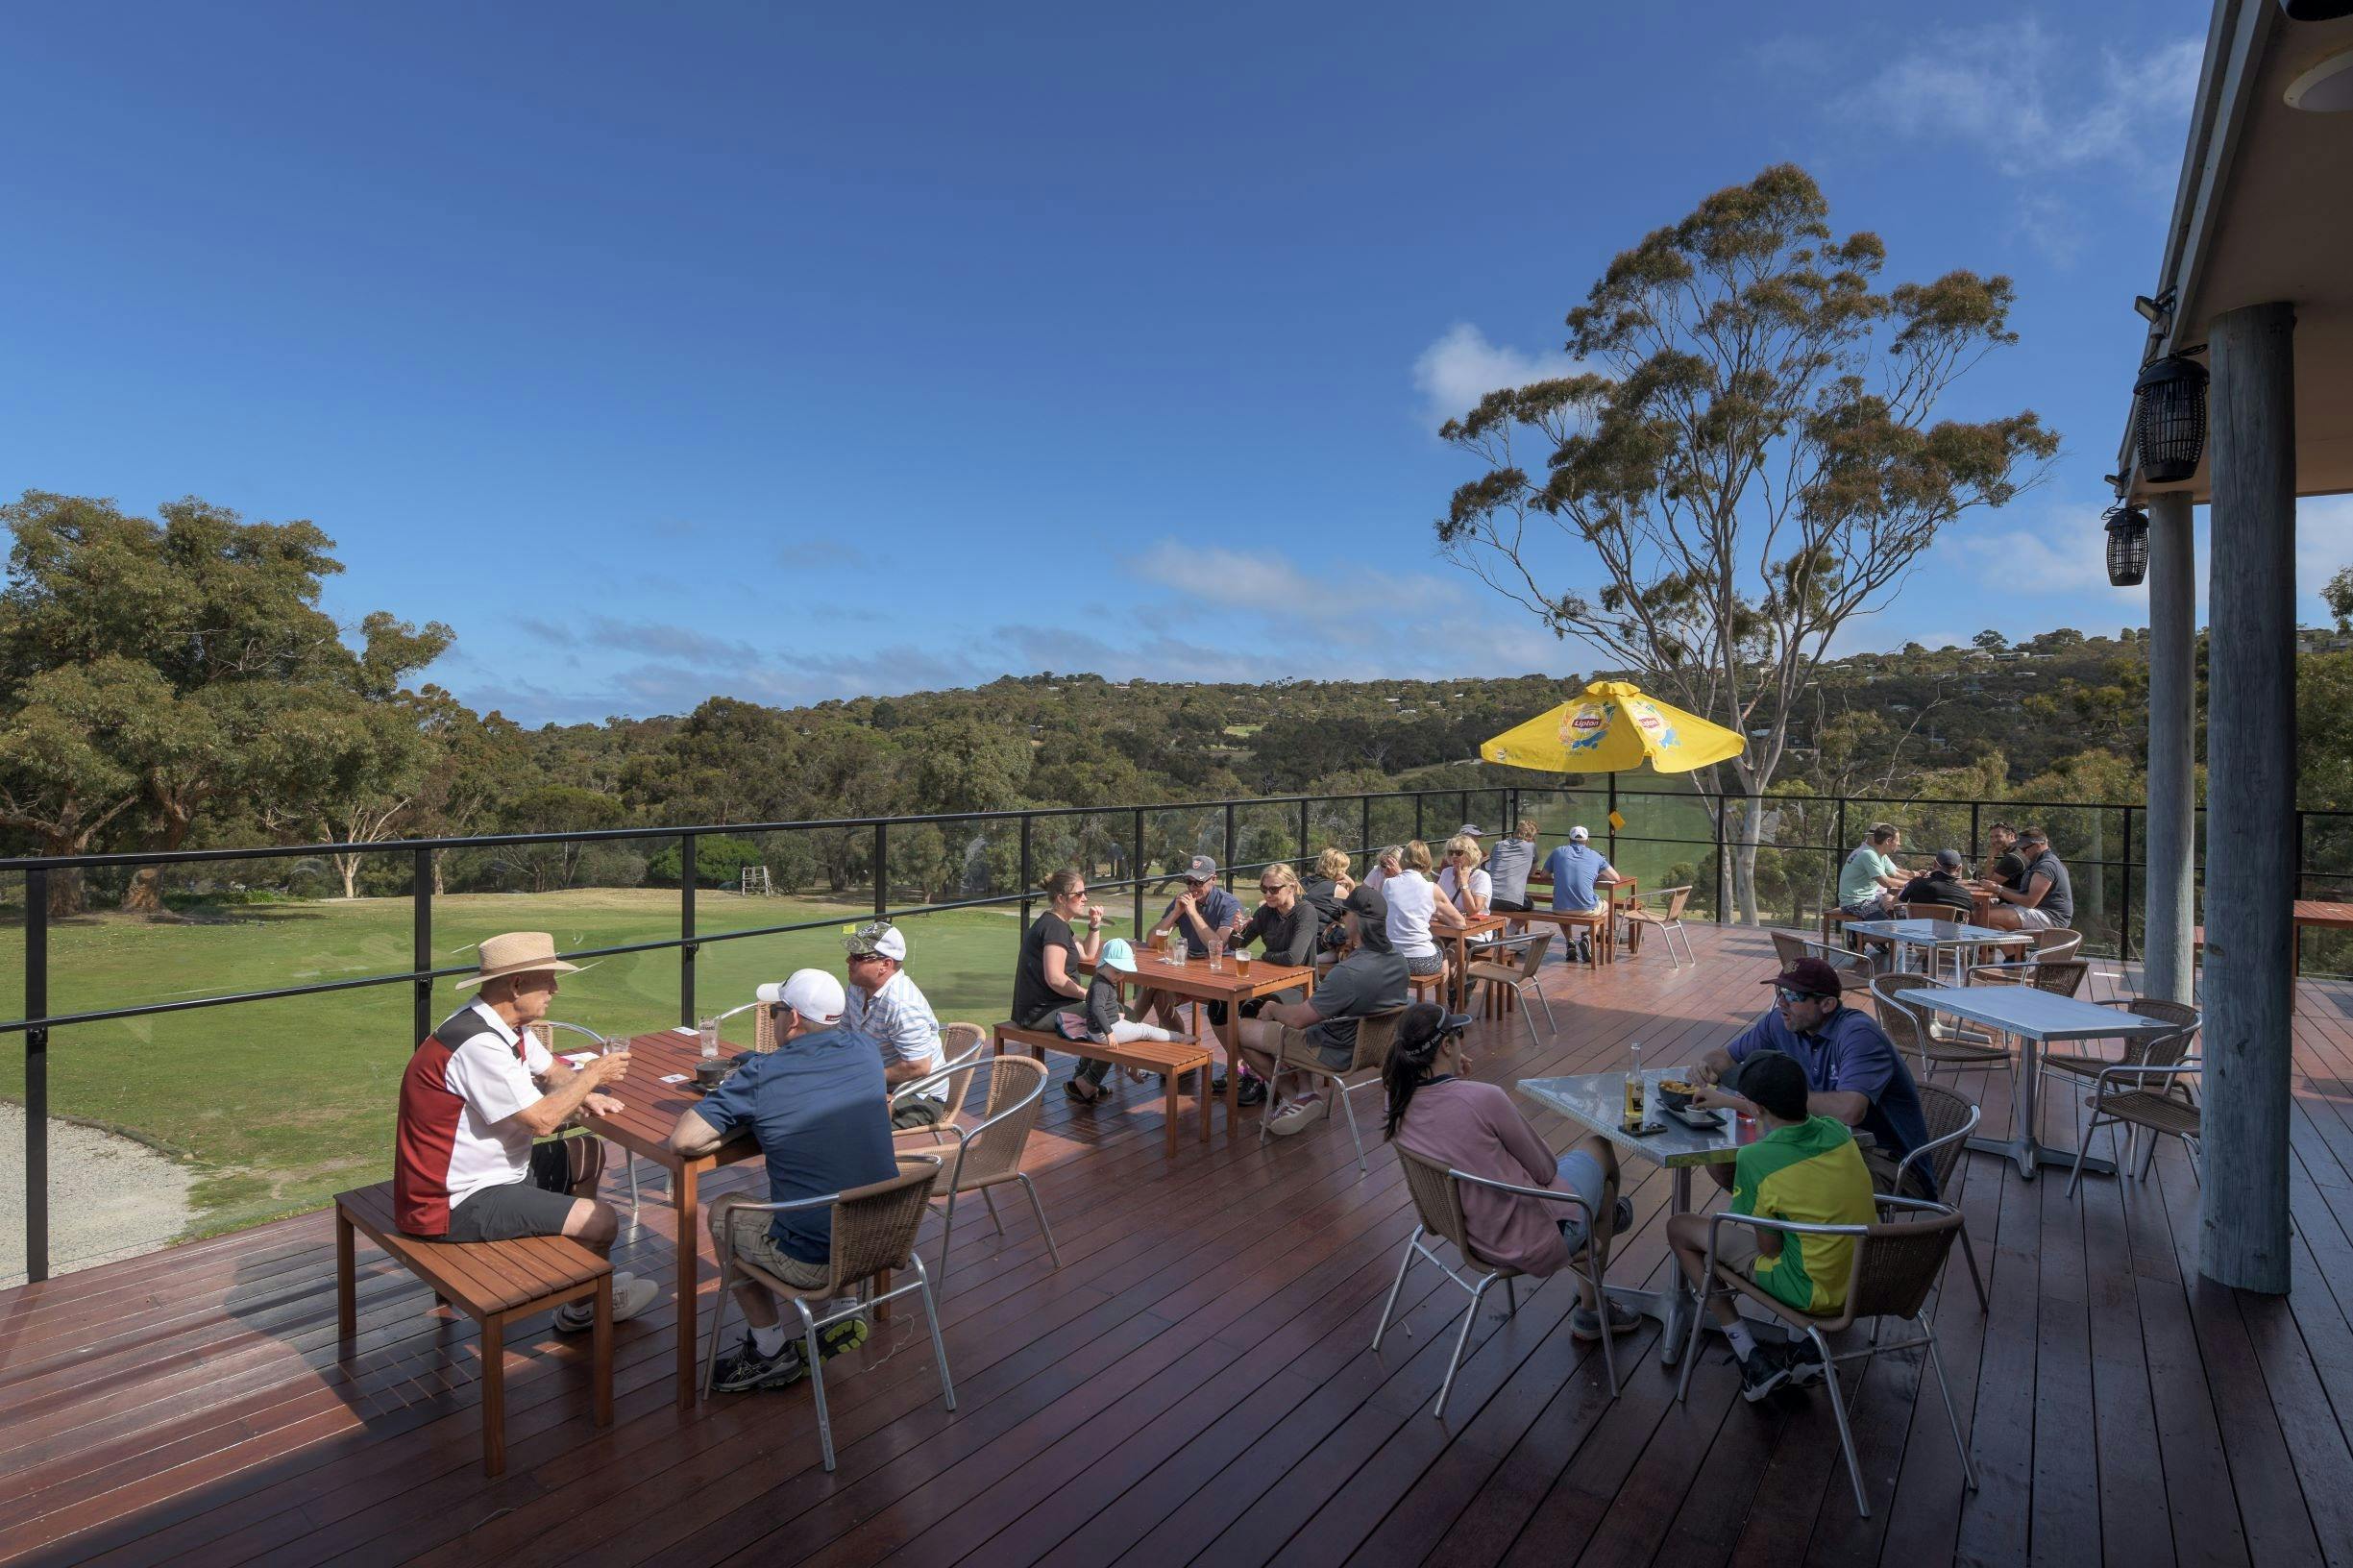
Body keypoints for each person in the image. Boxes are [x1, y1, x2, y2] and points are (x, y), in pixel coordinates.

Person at [393, 932, 659, 1330]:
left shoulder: (505, 1027)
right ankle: (581, 1310)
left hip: (491, 1174)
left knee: (587, 1152)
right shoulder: (477, 1045)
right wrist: (590, 1078)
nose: (555, 988)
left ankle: (581, 1272)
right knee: (602, 1221)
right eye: (548, 979)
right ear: (517, 985)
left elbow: (551, 1072)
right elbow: (543, 1121)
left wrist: (582, 1094)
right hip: (452, 1201)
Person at [673, 969, 896, 1392]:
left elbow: (684, 1139)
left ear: (792, 1018)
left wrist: (744, 1114)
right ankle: (845, 1307)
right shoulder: (866, 1051)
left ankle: (770, 1351)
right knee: (840, 1179)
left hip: (813, 1263)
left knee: (725, 1210)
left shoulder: (765, 1076)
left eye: (774, 1010)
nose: (773, 1016)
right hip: (883, 1236)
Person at [1384, 1002, 1640, 1340]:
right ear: (1447, 1046)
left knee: (1591, 1193)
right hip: (1530, 1238)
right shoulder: (1484, 1098)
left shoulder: (1396, 1100)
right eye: (1457, 1036)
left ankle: (1600, 1224)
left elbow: (1445, 1108)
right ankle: (1593, 1297)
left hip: (1465, 1229)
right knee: (1600, 1150)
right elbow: (1545, 1169)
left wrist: (1452, 1078)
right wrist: (1463, 1086)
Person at [1667, 1049, 1875, 1401]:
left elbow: (1770, 1249)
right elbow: (1786, 1116)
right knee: (1802, 1235)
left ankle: (1749, 1356)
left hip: (1811, 1294)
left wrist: (1734, 1103)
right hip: (1863, 1279)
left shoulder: (1756, 1158)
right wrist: (1729, 1101)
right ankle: (1801, 1348)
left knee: (1681, 1229)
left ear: (1758, 1107)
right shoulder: (1838, 1132)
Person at [1687, 956, 1934, 1198]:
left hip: (1886, 1162)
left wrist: (1778, 1100)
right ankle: (1792, 1233)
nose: (1781, 1003)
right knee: (1725, 1162)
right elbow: (1726, 1057)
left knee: (1770, 1175)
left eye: (1793, 996)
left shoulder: (1858, 1035)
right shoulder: (1782, 1022)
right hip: (1826, 1144)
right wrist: (1705, 1066)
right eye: (1779, 991)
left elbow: (1850, 1110)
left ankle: (1794, 1233)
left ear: (1827, 1004)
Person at [1236, 885, 1410, 1135]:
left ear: (1355, 920)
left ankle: (1292, 1095)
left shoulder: (1349, 973)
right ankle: (1306, 1090)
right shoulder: (1399, 961)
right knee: (1302, 1016)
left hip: (1332, 1052)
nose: (1341, 918)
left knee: (1239, 1030)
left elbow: (1297, 1020)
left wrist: (1272, 1008)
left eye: (1344, 913)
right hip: (1373, 1049)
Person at [1011, 868, 1111, 1102]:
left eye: (1085, 892)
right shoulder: (1054, 927)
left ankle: (1082, 1080)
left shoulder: (1058, 924)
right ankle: (1088, 1081)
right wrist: (1087, 994)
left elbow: (1086, 953)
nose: (1085, 898)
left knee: (1103, 1012)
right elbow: (1055, 978)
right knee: (1117, 1014)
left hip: (1041, 1008)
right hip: (1041, 1012)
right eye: (1079, 894)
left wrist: (1094, 926)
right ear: (1061, 898)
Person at [840, 919, 947, 1130]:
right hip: (873, 1083)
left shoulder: (902, 1005)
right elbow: (843, 1037)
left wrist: (864, 1076)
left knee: (843, 1126)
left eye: (858, 957)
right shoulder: (857, 987)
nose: (848, 960)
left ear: (885, 965)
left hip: (917, 1095)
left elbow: (919, 1066)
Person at [1050, 939, 1188, 1050]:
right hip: (1104, 1032)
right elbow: (1096, 1009)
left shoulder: (1102, 978)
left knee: (1135, 1025)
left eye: (1123, 973)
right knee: (1145, 1030)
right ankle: (1179, 1037)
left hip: (1103, 1028)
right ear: (1104, 964)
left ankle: (1176, 1037)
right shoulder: (1101, 986)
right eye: (1117, 972)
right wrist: (1109, 1033)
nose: (1120, 977)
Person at [1383, 839, 1465, 982]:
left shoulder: (1388, 884)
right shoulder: (1431, 888)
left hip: (1391, 958)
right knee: (1440, 948)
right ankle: (1442, 999)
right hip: (1420, 961)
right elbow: (1460, 922)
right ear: (1426, 861)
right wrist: (1438, 914)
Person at [1542, 825, 1622, 963]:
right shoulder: (1595, 856)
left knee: (1563, 902)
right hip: (1586, 909)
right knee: (1607, 906)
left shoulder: (1558, 852)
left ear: (1569, 839)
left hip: (1559, 909)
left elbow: (1544, 875)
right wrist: (1596, 876)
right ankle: (1588, 938)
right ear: (1587, 841)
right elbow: (1616, 877)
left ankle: (1570, 942)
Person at [1977, 826, 2074, 932]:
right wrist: (1997, 887)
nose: (2022, 852)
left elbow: (2030, 902)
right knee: (1979, 913)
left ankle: (2013, 948)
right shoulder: (2038, 861)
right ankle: (1999, 948)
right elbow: (2023, 893)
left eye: (2024, 849)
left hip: (2051, 917)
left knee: (1985, 917)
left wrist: (1998, 890)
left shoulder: (2046, 866)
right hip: (2038, 911)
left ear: (2037, 845)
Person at [1148, 854, 1243, 957]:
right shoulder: (1182, 901)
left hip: (1220, 962)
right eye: (1188, 881)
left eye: (1198, 882)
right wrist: (1174, 913)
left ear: (1213, 879)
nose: (1192, 887)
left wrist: (1193, 913)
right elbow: (1152, 942)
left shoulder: (1229, 904)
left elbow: (1217, 948)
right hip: (1191, 959)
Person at [1836, 822, 1909, 919]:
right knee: (1885, 923)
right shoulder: (1868, 854)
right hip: (1855, 903)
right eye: (1898, 840)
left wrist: (1916, 877)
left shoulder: (1879, 854)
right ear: (1888, 840)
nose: (1899, 844)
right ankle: (1862, 934)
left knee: (1899, 909)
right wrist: (1910, 884)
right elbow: (1885, 882)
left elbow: (1894, 872)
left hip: (1871, 898)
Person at [1485, 819, 1541, 924]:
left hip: (1489, 898)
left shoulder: (1499, 844)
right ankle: (1507, 933)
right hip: (1512, 901)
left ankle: (1498, 932)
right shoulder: (1531, 847)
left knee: (1502, 907)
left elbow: (1494, 863)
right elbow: (1533, 870)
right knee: (1530, 906)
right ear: (1531, 836)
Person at [1301, 846, 1355, 952]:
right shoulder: (1338, 890)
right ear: (1339, 871)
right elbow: (1351, 921)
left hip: (1295, 942)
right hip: (1318, 947)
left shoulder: (1301, 881)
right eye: (1344, 870)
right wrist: (1352, 885)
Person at [1895, 850, 1976, 918]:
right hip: (1950, 936)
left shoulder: (1915, 883)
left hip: (1917, 935)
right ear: (1959, 868)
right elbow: (1971, 922)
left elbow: (1895, 904)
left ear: (1934, 864)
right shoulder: (1966, 896)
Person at [1980, 821, 2025, 892]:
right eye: (1991, 837)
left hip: (2011, 901)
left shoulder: (2012, 858)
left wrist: (1990, 858)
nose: (1994, 840)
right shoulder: (2020, 851)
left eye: (1998, 836)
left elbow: (1991, 883)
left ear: (2012, 836)